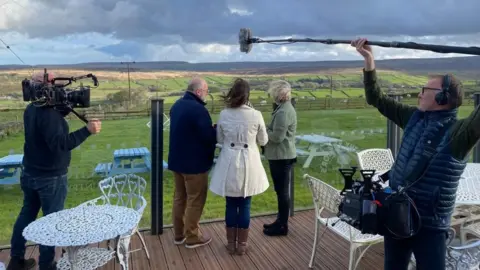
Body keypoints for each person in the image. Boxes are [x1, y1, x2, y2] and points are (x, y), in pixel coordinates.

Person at [352, 38, 480, 270]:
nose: (419, 94)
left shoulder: (459, 134)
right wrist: (369, 60)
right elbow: (376, 98)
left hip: (430, 226)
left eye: (425, 90)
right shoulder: (413, 118)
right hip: (397, 214)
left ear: (442, 98)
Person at [8, 72, 101, 270]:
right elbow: (60, 144)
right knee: (51, 223)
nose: (58, 88)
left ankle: (16, 260)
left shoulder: (32, 108)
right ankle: (47, 265)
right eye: (52, 84)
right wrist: (87, 130)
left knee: (27, 214)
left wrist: (63, 112)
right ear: (45, 87)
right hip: (50, 177)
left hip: (31, 172)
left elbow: (47, 130)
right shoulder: (48, 114)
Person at [209, 78, 269, 255]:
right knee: (245, 204)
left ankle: (230, 243)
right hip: (249, 161)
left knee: (230, 204)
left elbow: (219, 139)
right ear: (247, 94)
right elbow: (263, 140)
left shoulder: (224, 114)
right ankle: (242, 244)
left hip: (228, 160)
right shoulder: (256, 114)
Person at [168, 77, 217, 249]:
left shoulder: (176, 105)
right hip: (194, 165)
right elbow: (208, 138)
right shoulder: (198, 110)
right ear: (198, 92)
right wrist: (216, 130)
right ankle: (192, 237)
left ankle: (179, 234)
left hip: (177, 162)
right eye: (206, 91)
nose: (206, 94)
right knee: (195, 200)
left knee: (180, 198)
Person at [262, 80, 297, 237]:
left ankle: (282, 225)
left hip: (281, 157)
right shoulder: (284, 108)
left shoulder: (283, 112)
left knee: (282, 192)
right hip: (281, 156)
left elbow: (277, 137)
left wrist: (262, 133)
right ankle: (280, 221)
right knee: (281, 191)